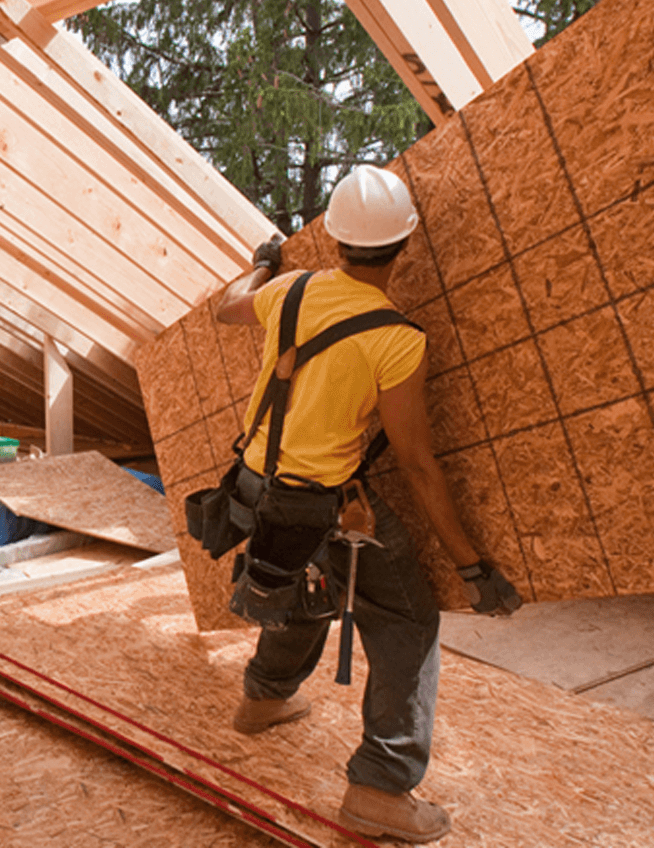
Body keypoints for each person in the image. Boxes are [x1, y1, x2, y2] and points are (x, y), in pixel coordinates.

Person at [212, 165, 524, 844]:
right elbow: (415, 461)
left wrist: (262, 265)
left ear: (332, 238)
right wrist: (472, 567)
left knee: (293, 575)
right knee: (407, 616)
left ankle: (264, 696)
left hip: (256, 490)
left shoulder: (288, 291)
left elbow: (227, 305)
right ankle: (381, 787)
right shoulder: (397, 339)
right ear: (404, 246)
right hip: (319, 498)